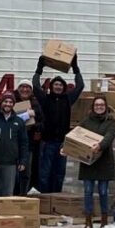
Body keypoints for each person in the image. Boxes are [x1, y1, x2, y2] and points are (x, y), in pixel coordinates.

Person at [32, 54, 85, 193]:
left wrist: (75, 67)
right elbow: (36, 86)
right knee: (44, 174)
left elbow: (80, 86)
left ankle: (55, 199)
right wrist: (39, 69)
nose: (58, 86)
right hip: (47, 143)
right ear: (51, 87)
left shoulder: (67, 99)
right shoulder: (45, 99)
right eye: (55, 84)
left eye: (60, 85)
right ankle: (45, 200)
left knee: (59, 174)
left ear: (64, 87)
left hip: (62, 144)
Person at [77, 97, 115, 228]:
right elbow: (74, 135)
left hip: (104, 162)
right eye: (96, 104)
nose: (99, 107)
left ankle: (104, 219)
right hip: (88, 162)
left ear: (106, 106)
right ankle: (88, 220)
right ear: (93, 106)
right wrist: (64, 147)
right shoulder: (86, 121)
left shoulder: (110, 122)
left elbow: (109, 137)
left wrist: (99, 146)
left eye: (101, 105)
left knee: (103, 191)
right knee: (88, 191)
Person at [0, 91, 28, 197]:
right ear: (0, 102)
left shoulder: (19, 121)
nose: (8, 104)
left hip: (11, 163)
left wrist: (23, 161)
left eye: (10, 102)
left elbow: (23, 142)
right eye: (5, 101)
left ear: (13, 104)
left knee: (8, 194)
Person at [15, 79, 44, 195]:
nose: (25, 89)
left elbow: (42, 123)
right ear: (18, 89)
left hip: (29, 144)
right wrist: (26, 116)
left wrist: (34, 126)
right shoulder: (11, 102)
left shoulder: (36, 104)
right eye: (22, 87)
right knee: (14, 174)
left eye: (28, 87)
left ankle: (23, 196)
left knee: (26, 173)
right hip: (13, 143)